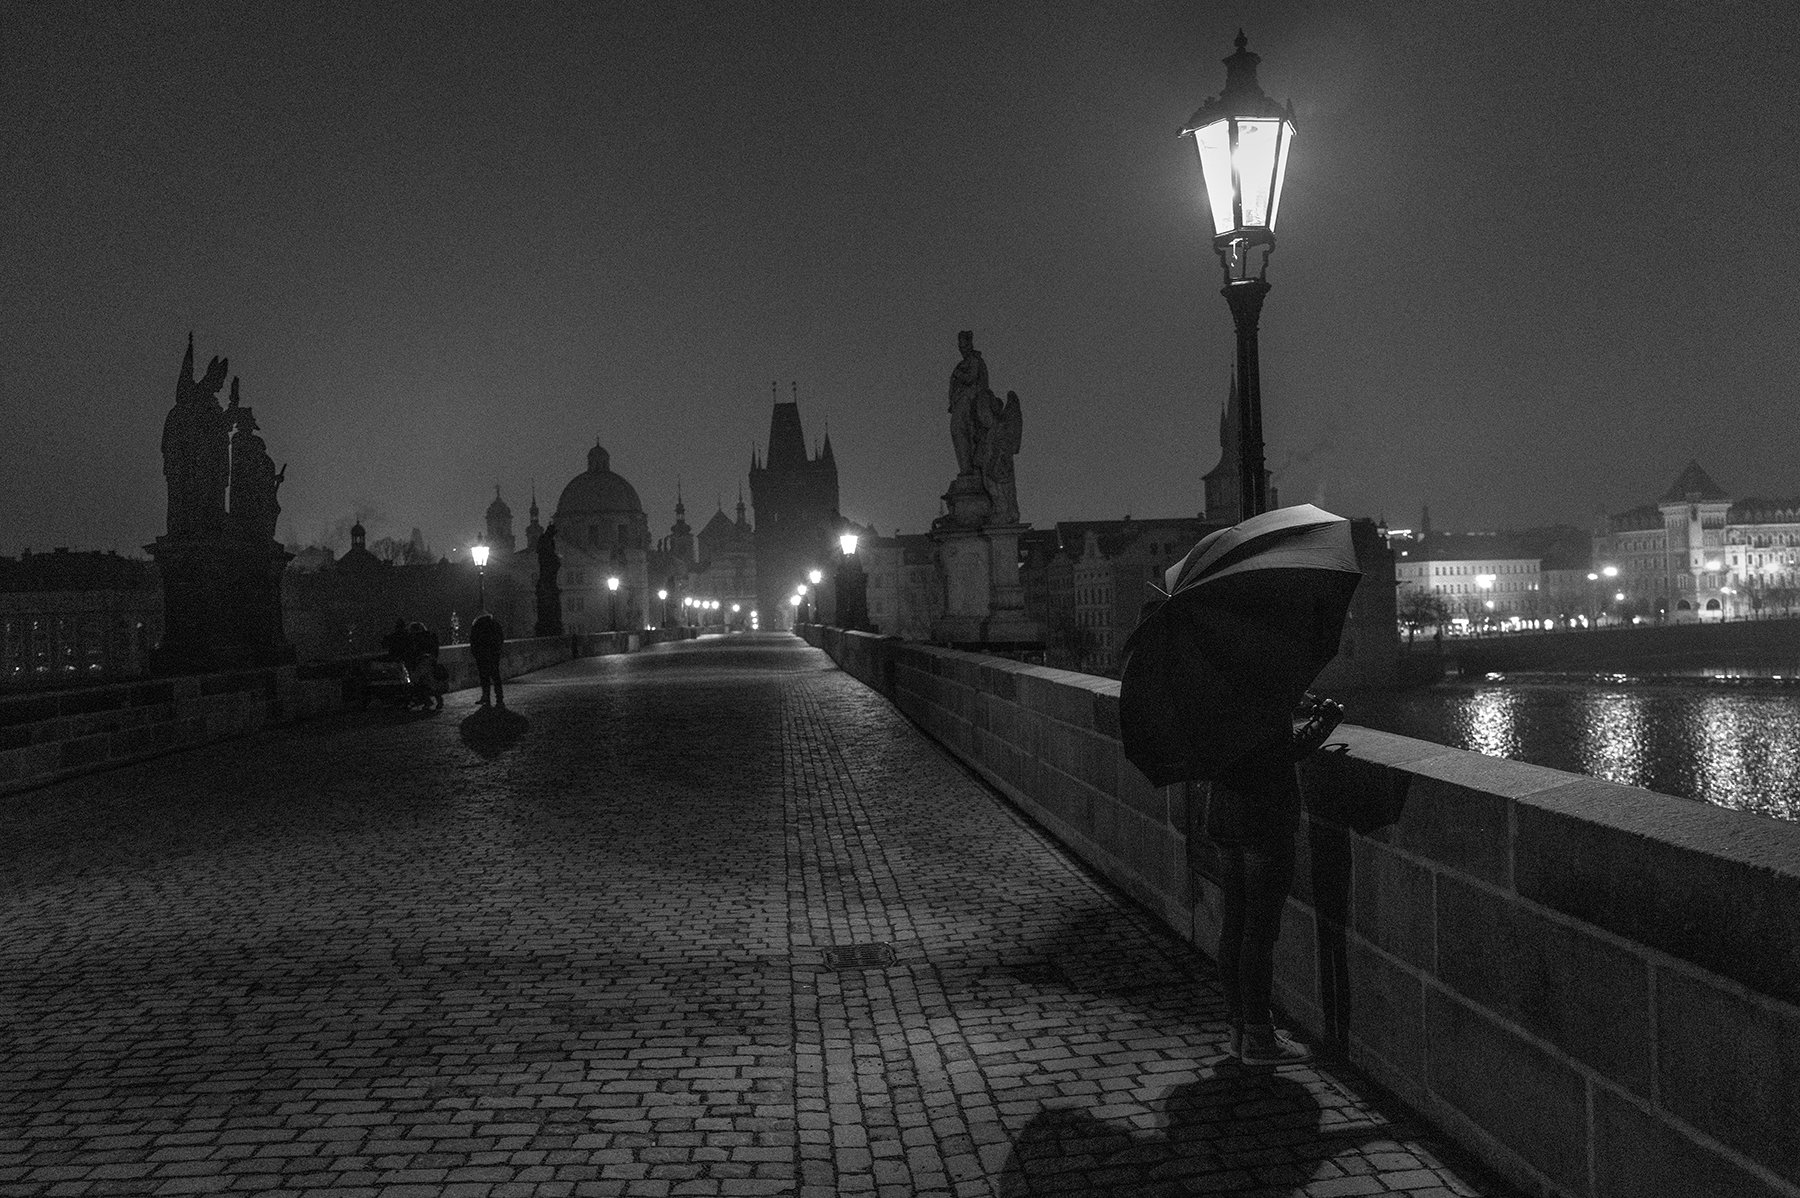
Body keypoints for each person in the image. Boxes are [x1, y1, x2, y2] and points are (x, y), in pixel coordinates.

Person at [1206, 693, 1343, 1066]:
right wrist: (1324, 723)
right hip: (1261, 820)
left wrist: (1291, 704)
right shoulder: (1259, 678)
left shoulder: (1214, 684)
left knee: (1234, 927)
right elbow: (1279, 750)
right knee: (1258, 933)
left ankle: (1239, 1030)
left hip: (1222, 814)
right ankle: (1260, 1039)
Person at [469, 612, 505, 708]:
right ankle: (499, 699)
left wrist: (476, 654)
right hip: (493, 655)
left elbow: (473, 641)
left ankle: (486, 698)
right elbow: (501, 638)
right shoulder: (495, 625)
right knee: (496, 676)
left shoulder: (477, 626)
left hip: (482, 656)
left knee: (484, 678)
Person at [408, 621, 443, 711]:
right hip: (429, 662)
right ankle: (437, 700)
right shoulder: (430, 636)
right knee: (429, 682)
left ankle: (428, 701)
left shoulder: (418, 638)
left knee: (417, 681)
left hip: (422, 662)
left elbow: (416, 651)